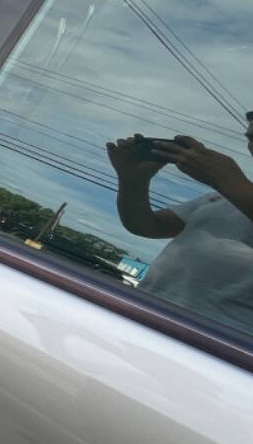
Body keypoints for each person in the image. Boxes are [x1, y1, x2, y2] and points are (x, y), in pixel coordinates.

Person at [106, 116, 253, 328]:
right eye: (251, 137)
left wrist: (227, 179)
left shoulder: (233, 188)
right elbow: (144, 226)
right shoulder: (220, 197)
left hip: (217, 347)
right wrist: (133, 179)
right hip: (139, 317)